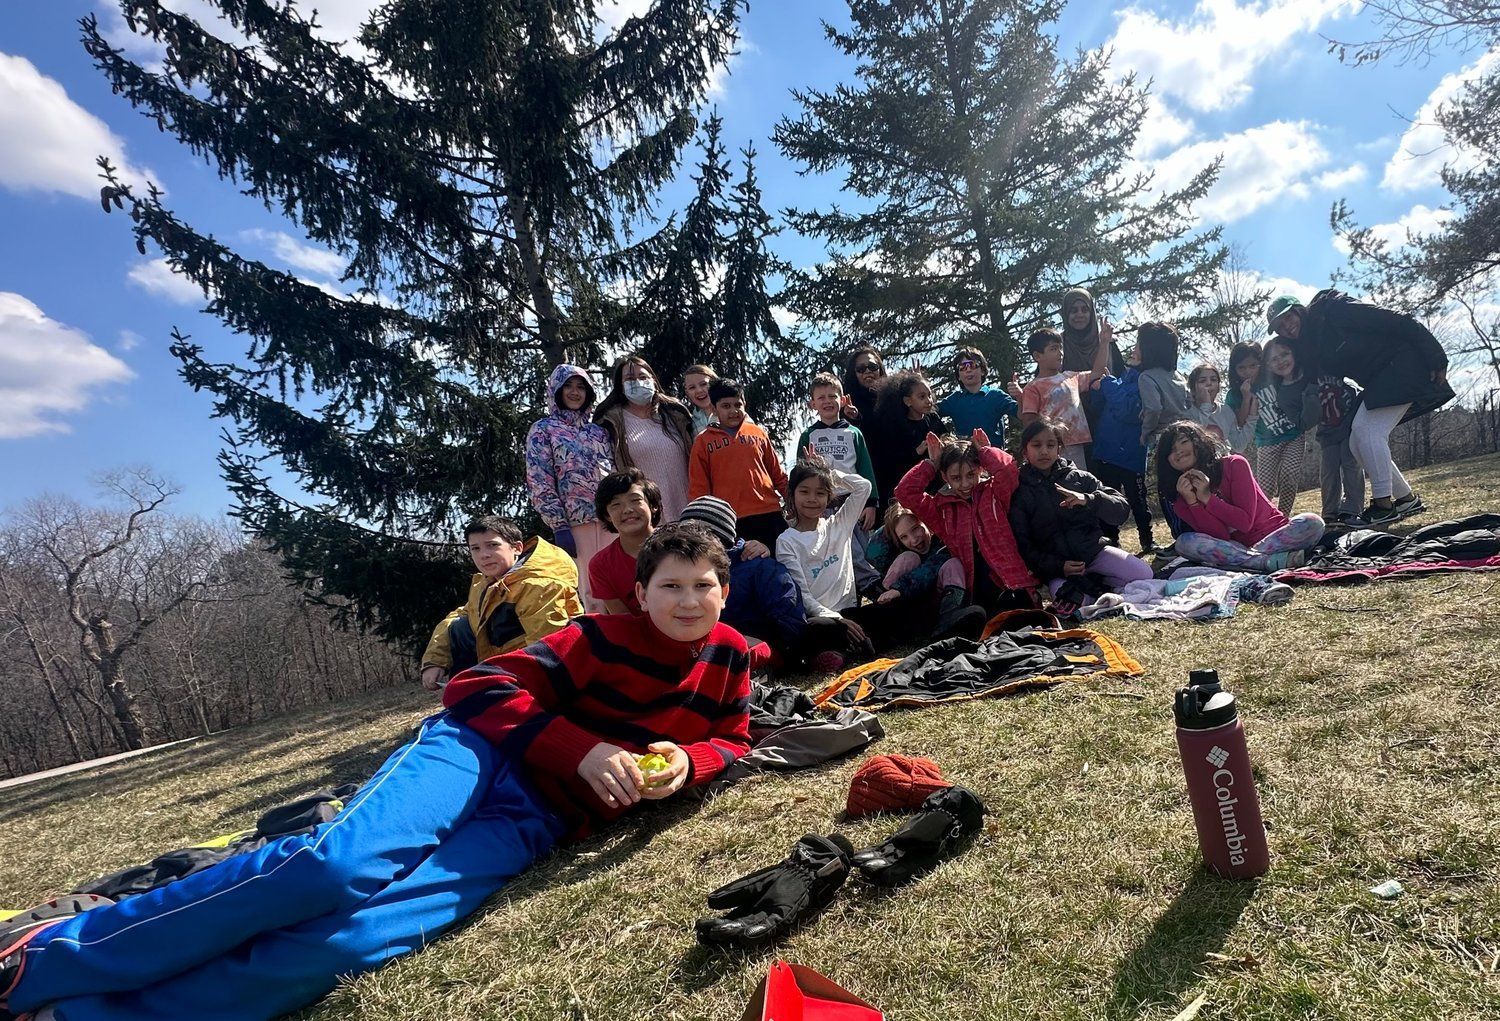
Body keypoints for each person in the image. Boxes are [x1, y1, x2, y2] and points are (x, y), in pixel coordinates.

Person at [0, 525, 751, 1021]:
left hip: (539, 818)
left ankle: (87, 1016)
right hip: (478, 752)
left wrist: (691, 760)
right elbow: (477, 687)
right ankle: (40, 959)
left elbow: (735, 738)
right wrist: (578, 747)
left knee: (352, 941)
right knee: (335, 866)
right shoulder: (596, 636)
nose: (687, 601)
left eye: (703, 586)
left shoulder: (731, 657)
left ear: (725, 591)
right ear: (640, 593)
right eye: (670, 586)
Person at [1267, 291, 1451, 526]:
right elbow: (1301, 376)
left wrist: (1436, 355)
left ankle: (1383, 506)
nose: (1287, 326)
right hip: (1378, 381)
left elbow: (1397, 320)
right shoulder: (1310, 344)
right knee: (1356, 441)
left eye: (1288, 317)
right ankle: (1406, 499)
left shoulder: (1333, 310)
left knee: (1368, 432)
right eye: (1279, 326)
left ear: (1299, 309)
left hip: (1404, 365)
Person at [420, 516, 582, 691]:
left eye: (492, 545)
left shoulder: (539, 585)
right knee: (460, 626)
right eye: (475, 548)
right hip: (503, 666)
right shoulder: (489, 583)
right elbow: (460, 615)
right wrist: (434, 661)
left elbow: (547, 648)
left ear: (517, 548)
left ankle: (481, 693)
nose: (484, 555)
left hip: (543, 675)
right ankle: (466, 691)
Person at [1008, 419, 1154, 614]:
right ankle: (1100, 590)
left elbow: (1121, 510)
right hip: (1060, 571)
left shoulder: (1081, 478)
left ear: (1059, 449)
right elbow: (1024, 545)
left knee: (1144, 574)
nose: (1044, 451)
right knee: (1071, 601)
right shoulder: (1019, 492)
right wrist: (1059, 566)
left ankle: (1099, 584)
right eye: (1036, 445)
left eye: (1050, 445)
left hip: (1095, 553)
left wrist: (1088, 499)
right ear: (1025, 451)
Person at [894, 429, 1038, 613]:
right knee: (982, 615)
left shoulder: (994, 493)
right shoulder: (941, 509)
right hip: (974, 591)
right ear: (945, 477)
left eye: (971, 475)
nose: (965, 484)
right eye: (956, 478)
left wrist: (985, 452)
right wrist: (932, 464)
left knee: (1019, 613)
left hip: (1012, 582)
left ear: (980, 469)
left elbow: (1008, 470)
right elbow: (904, 492)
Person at [1160, 421, 1325, 572]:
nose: (1179, 451)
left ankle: (1249, 562)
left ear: (1198, 442)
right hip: (1233, 547)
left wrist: (1207, 497)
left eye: (1183, 442)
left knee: (1313, 522)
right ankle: (1264, 562)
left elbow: (1244, 523)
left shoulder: (1234, 464)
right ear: (1166, 461)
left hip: (1274, 536)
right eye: (1171, 450)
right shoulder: (1181, 499)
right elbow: (1221, 536)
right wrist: (1193, 503)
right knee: (1184, 543)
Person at [678, 495, 818, 668]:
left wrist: (776, 649)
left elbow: (790, 620)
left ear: (721, 541)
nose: (688, 547)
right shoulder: (677, 570)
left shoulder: (762, 568)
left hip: (756, 650)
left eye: (696, 541)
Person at [524, 363, 615, 611]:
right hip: (576, 524)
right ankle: (596, 634)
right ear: (557, 391)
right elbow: (539, 478)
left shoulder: (599, 432)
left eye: (581, 387)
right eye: (568, 386)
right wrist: (559, 525)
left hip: (611, 519)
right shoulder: (543, 429)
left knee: (617, 583)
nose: (575, 392)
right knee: (591, 590)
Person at [689, 378, 790, 548]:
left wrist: (792, 501)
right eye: (726, 406)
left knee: (781, 561)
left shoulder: (758, 433)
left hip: (769, 513)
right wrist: (702, 522)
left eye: (738, 405)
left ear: (744, 404)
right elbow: (699, 489)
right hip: (730, 520)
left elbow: (777, 474)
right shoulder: (702, 442)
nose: (733, 411)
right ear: (713, 408)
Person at [594, 354, 694, 523]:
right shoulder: (611, 423)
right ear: (620, 386)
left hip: (689, 511)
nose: (638, 382)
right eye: (630, 379)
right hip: (647, 517)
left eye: (643, 377)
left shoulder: (675, 413)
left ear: (653, 380)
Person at [1089, 342, 1157, 552]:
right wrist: (1098, 388)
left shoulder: (1145, 382)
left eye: (1139, 348)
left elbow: (1128, 409)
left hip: (1131, 455)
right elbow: (1097, 404)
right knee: (1108, 501)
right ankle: (1111, 543)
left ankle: (1147, 540)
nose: (1133, 350)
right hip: (1106, 453)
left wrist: (1106, 383)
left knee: (1138, 500)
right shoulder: (1120, 380)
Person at [798, 372, 880, 531]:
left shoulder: (853, 433)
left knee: (855, 546)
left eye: (832, 396)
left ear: (842, 400)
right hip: (820, 505)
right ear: (813, 404)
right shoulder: (808, 435)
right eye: (821, 398)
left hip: (852, 502)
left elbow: (865, 468)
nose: (827, 401)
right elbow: (799, 475)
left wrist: (871, 503)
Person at [1019, 326, 1111, 465]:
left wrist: (1104, 342)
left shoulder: (1070, 377)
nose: (1060, 353)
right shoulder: (1033, 387)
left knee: (1078, 477)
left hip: (1079, 444)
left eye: (1060, 348)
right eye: (1053, 349)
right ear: (1037, 356)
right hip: (1052, 446)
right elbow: (1029, 421)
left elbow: (1098, 372)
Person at [1247, 336, 1317, 517]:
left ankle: (1283, 518)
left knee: (1289, 475)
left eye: (1284, 355)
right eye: (1273, 359)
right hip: (1267, 443)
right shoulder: (1248, 386)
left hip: (1294, 436)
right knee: (1265, 487)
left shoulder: (1287, 378)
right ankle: (1262, 519)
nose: (1280, 362)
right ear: (1267, 364)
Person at [866, 371, 947, 512]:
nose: (928, 400)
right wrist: (916, 452)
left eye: (929, 395)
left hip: (937, 490)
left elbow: (947, 439)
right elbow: (889, 462)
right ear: (907, 401)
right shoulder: (895, 426)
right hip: (909, 494)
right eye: (921, 397)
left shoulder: (934, 420)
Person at [587, 468, 664, 615]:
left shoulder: (680, 545)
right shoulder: (601, 565)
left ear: (653, 506)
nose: (627, 509)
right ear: (607, 515)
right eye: (616, 505)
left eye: (635, 500)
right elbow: (623, 620)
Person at [1304, 372, 1366, 529]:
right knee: (1328, 471)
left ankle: (1352, 510)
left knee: (1351, 466)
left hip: (1349, 428)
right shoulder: (1309, 377)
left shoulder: (1345, 373)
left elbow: (1358, 393)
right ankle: (1329, 512)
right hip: (1326, 432)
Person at [937, 346, 1023, 446]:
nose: (968, 370)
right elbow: (929, 411)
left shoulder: (996, 396)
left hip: (993, 454)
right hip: (965, 455)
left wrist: (1020, 396)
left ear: (982, 370)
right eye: (962, 367)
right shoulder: (954, 400)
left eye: (973, 365)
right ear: (958, 376)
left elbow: (1022, 414)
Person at [1188, 362, 1255, 453]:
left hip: (1221, 458)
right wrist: (1206, 406)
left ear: (1219, 387)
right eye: (1202, 381)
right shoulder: (1187, 412)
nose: (1209, 383)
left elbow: (1239, 446)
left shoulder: (1226, 411)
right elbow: (1196, 439)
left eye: (1213, 380)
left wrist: (1252, 418)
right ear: (1193, 389)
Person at [1223, 340, 1265, 462]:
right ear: (1234, 369)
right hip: (1255, 445)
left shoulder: (1271, 382)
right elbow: (1239, 423)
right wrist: (1246, 398)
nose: (1248, 372)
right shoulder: (1233, 395)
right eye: (1241, 368)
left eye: (1253, 365)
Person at [840, 344, 886, 424]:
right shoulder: (845, 403)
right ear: (854, 373)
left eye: (872, 366)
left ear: (880, 370)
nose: (868, 371)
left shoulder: (893, 398)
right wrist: (854, 418)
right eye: (861, 368)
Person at [681, 363, 720, 436]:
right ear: (687, 393)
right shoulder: (690, 423)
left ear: (715, 383)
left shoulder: (730, 411)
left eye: (703, 384)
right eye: (692, 387)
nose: (699, 390)